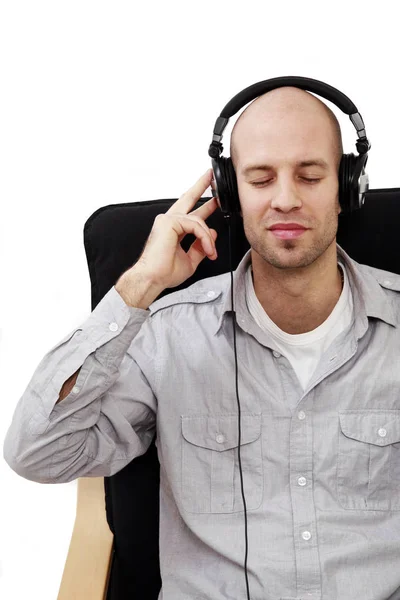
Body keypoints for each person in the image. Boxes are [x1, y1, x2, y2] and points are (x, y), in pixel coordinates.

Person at [4, 86, 400, 600]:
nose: (285, 198)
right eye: (260, 178)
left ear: (349, 187)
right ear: (230, 192)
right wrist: (138, 287)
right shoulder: (167, 336)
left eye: (310, 175)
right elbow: (38, 454)